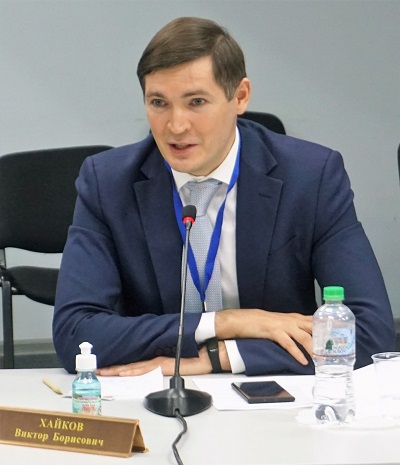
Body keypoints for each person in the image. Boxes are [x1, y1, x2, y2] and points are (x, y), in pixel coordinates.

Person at [53, 17, 396, 376]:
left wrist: (217, 357)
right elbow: (75, 333)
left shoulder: (310, 177)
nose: (176, 126)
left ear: (240, 96)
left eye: (196, 101)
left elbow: (369, 333)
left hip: (276, 390)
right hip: (154, 393)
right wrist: (225, 323)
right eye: (159, 102)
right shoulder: (108, 183)